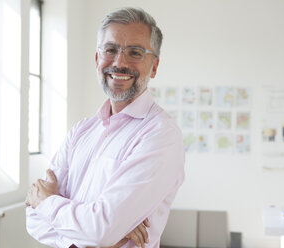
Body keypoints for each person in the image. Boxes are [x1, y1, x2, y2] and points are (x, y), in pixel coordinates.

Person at [25, 7, 185, 248]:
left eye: (135, 52)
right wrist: (90, 238)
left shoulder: (161, 135)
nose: (119, 62)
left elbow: (100, 228)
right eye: (110, 50)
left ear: (154, 66)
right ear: (98, 59)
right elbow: (33, 218)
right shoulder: (81, 131)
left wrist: (46, 202)